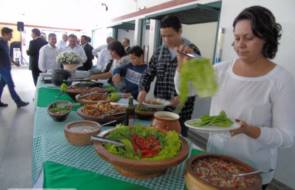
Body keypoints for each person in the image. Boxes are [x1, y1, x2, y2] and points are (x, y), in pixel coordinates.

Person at [175, 6, 295, 189]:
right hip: (214, 161)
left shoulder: (280, 80)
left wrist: (249, 130)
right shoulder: (221, 70)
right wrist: (182, 67)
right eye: (237, 38)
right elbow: (187, 90)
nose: (240, 44)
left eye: (249, 38)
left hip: (252, 171)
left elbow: (287, 137)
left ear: (266, 38)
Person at [138, 15, 201, 137]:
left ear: (180, 32)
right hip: (159, 109)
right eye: (163, 36)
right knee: (158, 139)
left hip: (181, 112)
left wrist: (182, 96)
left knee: (178, 143)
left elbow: (197, 82)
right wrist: (142, 89)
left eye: (170, 35)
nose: (166, 40)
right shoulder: (159, 52)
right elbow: (148, 73)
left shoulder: (191, 52)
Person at [0, 27, 29, 108]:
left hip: (7, 67)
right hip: (3, 67)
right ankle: (18, 101)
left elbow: (7, 55)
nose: (11, 37)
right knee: (11, 84)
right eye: (10, 35)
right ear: (5, 34)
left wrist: (14, 62)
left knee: (1, 84)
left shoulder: (6, 43)